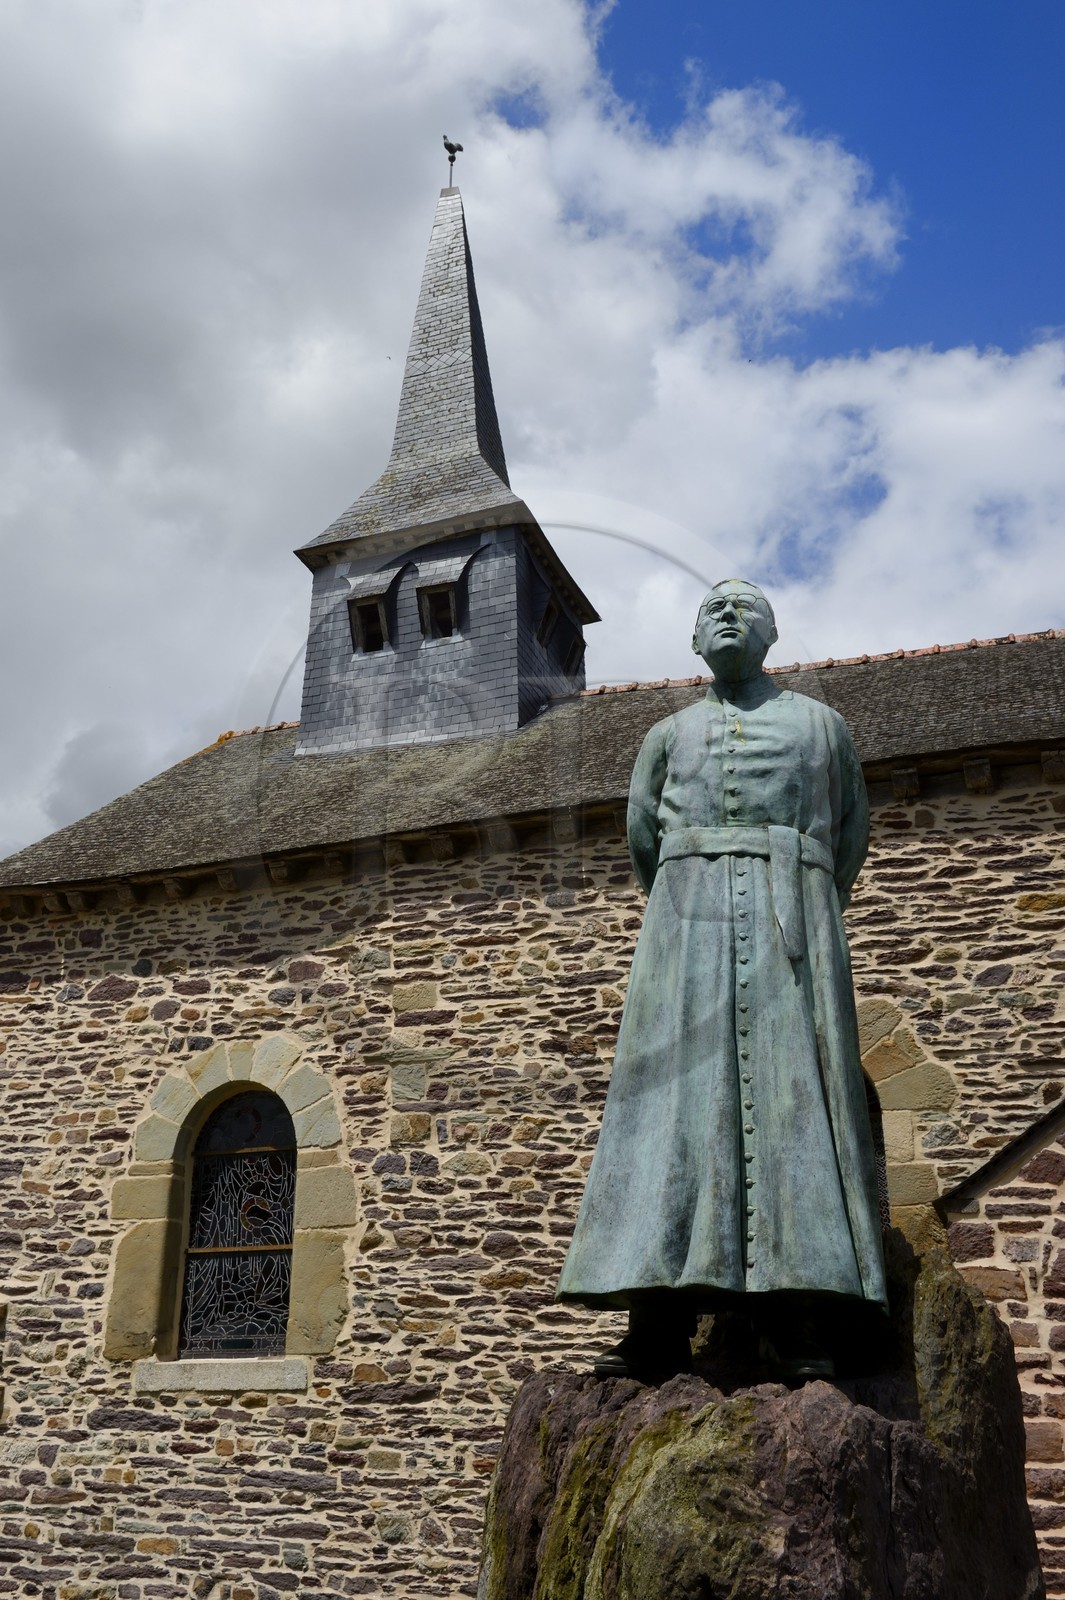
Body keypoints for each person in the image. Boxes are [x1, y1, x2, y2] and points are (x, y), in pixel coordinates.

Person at [557, 579, 887, 1379]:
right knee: (671, 1115)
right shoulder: (666, 736)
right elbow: (645, 840)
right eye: (712, 610)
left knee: (795, 1105)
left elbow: (847, 838)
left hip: (792, 920)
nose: (728, 616)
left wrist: (798, 894)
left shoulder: (822, 726)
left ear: (773, 632)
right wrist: (692, 900)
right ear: (695, 642)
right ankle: (655, 1321)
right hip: (685, 932)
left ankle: (802, 1314)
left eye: (744, 608)